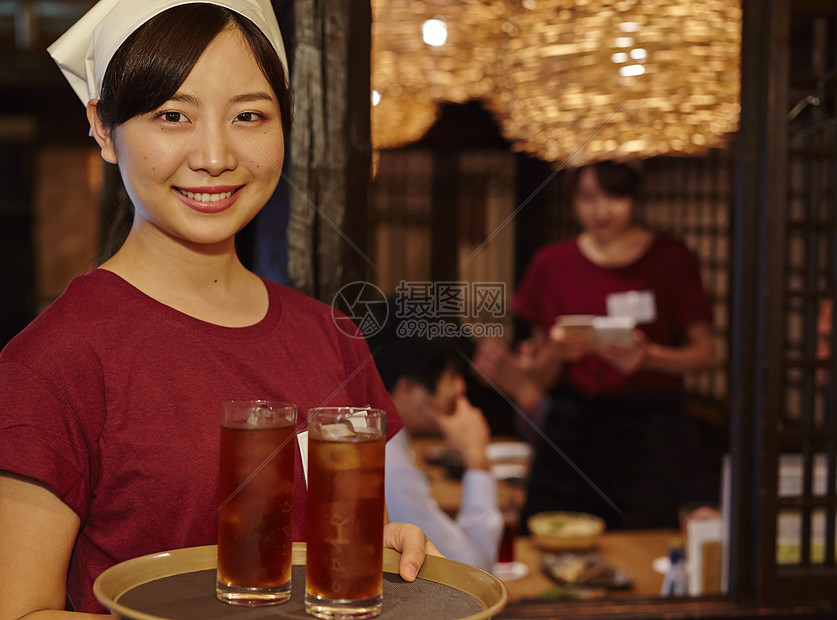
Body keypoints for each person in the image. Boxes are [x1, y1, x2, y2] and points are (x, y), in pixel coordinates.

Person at [0, 1, 436, 616]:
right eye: (172, 115)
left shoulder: (329, 336)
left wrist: (381, 555)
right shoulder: (54, 360)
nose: (214, 155)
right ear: (102, 128)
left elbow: (339, 542)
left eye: (250, 115)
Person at [474, 159, 717, 531]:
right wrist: (556, 351)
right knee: (550, 532)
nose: (601, 210)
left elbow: (707, 352)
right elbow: (539, 375)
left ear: (634, 199)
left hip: (650, 428)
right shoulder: (551, 264)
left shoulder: (670, 257)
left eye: (614, 197)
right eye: (588, 198)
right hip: (574, 426)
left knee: (642, 536)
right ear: (573, 201)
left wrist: (649, 357)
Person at [367, 309, 503, 571]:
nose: (460, 388)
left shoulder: (384, 442)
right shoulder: (390, 464)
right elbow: (469, 571)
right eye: (451, 376)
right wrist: (477, 460)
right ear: (408, 390)